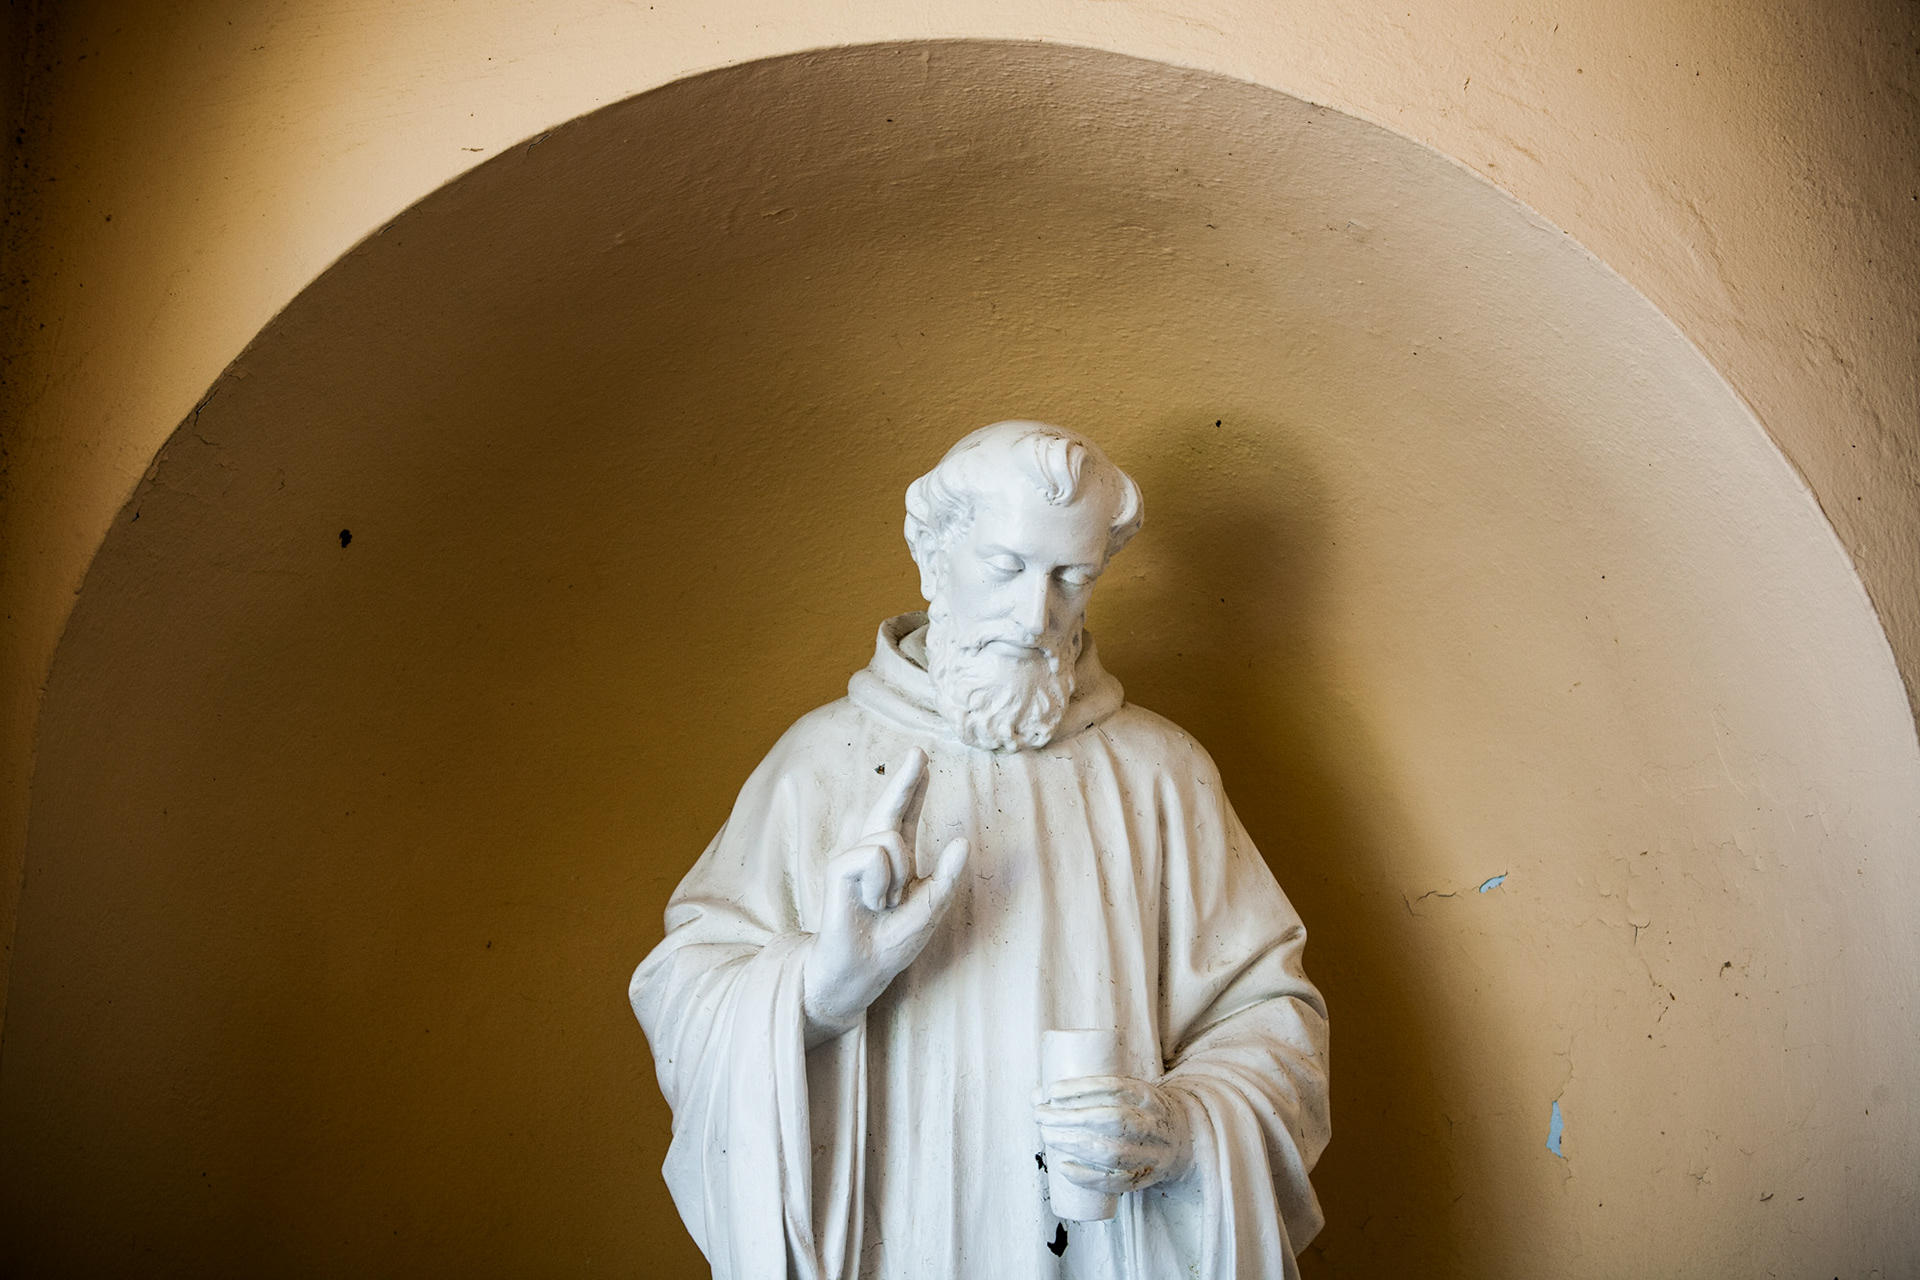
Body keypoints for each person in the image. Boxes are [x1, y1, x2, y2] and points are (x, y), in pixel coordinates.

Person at [631, 421, 1329, 1279]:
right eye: (1005, 566)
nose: (1036, 615)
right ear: (934, 559)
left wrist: (1181, 1129)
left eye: (1071, 577)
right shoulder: (819, 766)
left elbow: (1271, 1023)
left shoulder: (1162, 775)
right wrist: (818, 987)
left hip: (1108, 1249)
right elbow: (683, 990)